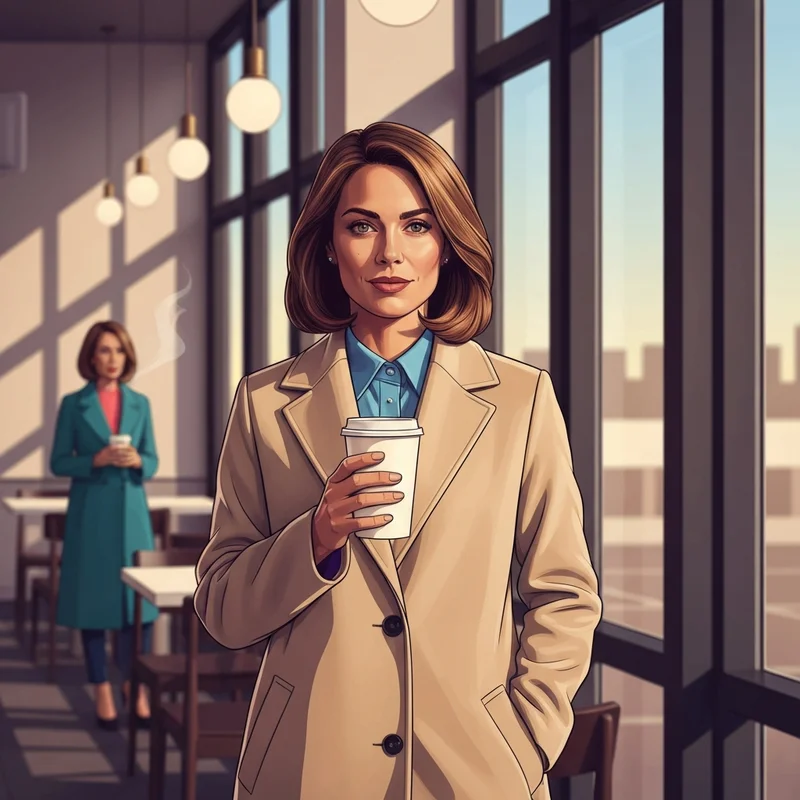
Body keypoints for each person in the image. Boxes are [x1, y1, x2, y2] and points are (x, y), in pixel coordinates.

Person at [195, 121, 602, 800]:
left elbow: (563, 592)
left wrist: (524, 738)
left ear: (448, 243)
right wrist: (317, 539)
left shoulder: (522, 400)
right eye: (362, 227)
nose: (390, 253)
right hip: (306, 766)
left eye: (417, 226)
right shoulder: (265, 403)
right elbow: (222, 608)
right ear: (327, 245)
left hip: (475, 770)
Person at [50, 320, 158, 730]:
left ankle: (137, 686)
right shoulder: (73, 404)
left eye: (119, 350)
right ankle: (101, 688)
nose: (113, 359)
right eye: (104, 351)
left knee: (138, 607)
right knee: (92, 604)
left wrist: (139, 462)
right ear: (91, 357)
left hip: (131, 512)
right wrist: (93, 461)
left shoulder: (140, 403)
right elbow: (59, 462)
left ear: (127, 356)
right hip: (90, 512)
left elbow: (152, 459)